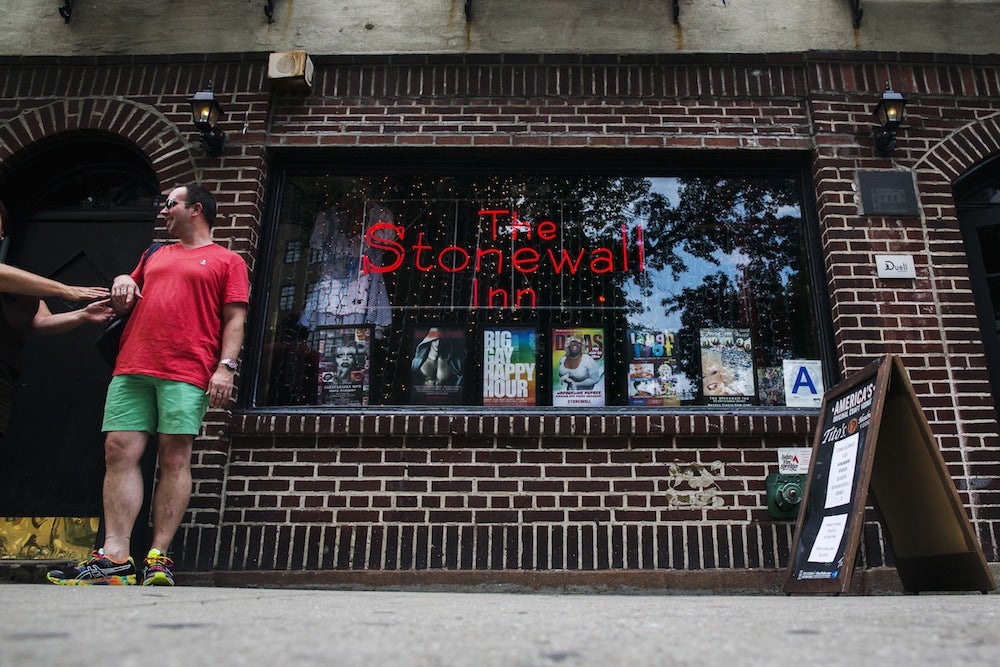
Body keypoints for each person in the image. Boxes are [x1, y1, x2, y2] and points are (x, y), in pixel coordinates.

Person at [47, 185, 249, 586]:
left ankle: (159, 556)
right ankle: (116, 558)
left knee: (174, 458)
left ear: (196, 210)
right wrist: (123, 279)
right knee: (118, 452)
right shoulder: (156, 253)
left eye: (170, 204)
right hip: (133, 364)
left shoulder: (228, 260)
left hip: (188, 369)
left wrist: (225, 368)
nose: (163, 211)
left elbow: (234, 320)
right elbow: (125, 301)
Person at [1, 200, 113, 438]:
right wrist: (65, 290)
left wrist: (81, 315)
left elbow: (39, 322)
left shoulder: (21, 282)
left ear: (2, 233)